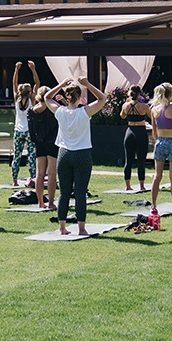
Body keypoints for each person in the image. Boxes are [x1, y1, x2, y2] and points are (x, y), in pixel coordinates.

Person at [45, 77, 106, 236]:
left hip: (64, 154)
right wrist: (87, 84)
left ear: (67, 97)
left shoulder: (60, 111)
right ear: (79, 97)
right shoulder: (85, 112)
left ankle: (62, 228)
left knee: (64, 193)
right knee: (80, 193)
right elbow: (102, 98)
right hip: (82, 154)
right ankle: (81, 228)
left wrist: (61, 85)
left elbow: (47, 97)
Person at [148, 83, 172, 214]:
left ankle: (153, 205)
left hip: (160, 142)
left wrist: (158, 141)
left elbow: (154, 131)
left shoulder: (154, 110)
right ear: (170, 94)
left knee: (157, 176)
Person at [27, 84, 60, 210]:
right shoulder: (53, 109)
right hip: (52, 142)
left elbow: (31, 130)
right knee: (52, 174)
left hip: (39, 143)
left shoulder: (33, 110)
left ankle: (40, 202)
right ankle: (51, 202)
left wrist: (35, 140)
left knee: (39, 174)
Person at [10, 61, 39, 188]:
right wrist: (33, 69)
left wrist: (16, 70)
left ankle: (14, 180)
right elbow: (37, 83)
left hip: (18, 131)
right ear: (29, 92)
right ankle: (32, 179)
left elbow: (14, 83)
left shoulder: (17, 98)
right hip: (29, 131)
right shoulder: (31, 99)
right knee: (31, 157)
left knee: (17, 156)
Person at [120, 85, 152, 191]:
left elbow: (122, 116)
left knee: (128, 160)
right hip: (140, 132)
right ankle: (142, 185)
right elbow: (152, 116)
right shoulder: (144, 106)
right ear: (139, 94)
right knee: (141, 161)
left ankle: (128, 185)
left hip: (129, 132)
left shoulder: (125, 105)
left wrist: (127, 102)